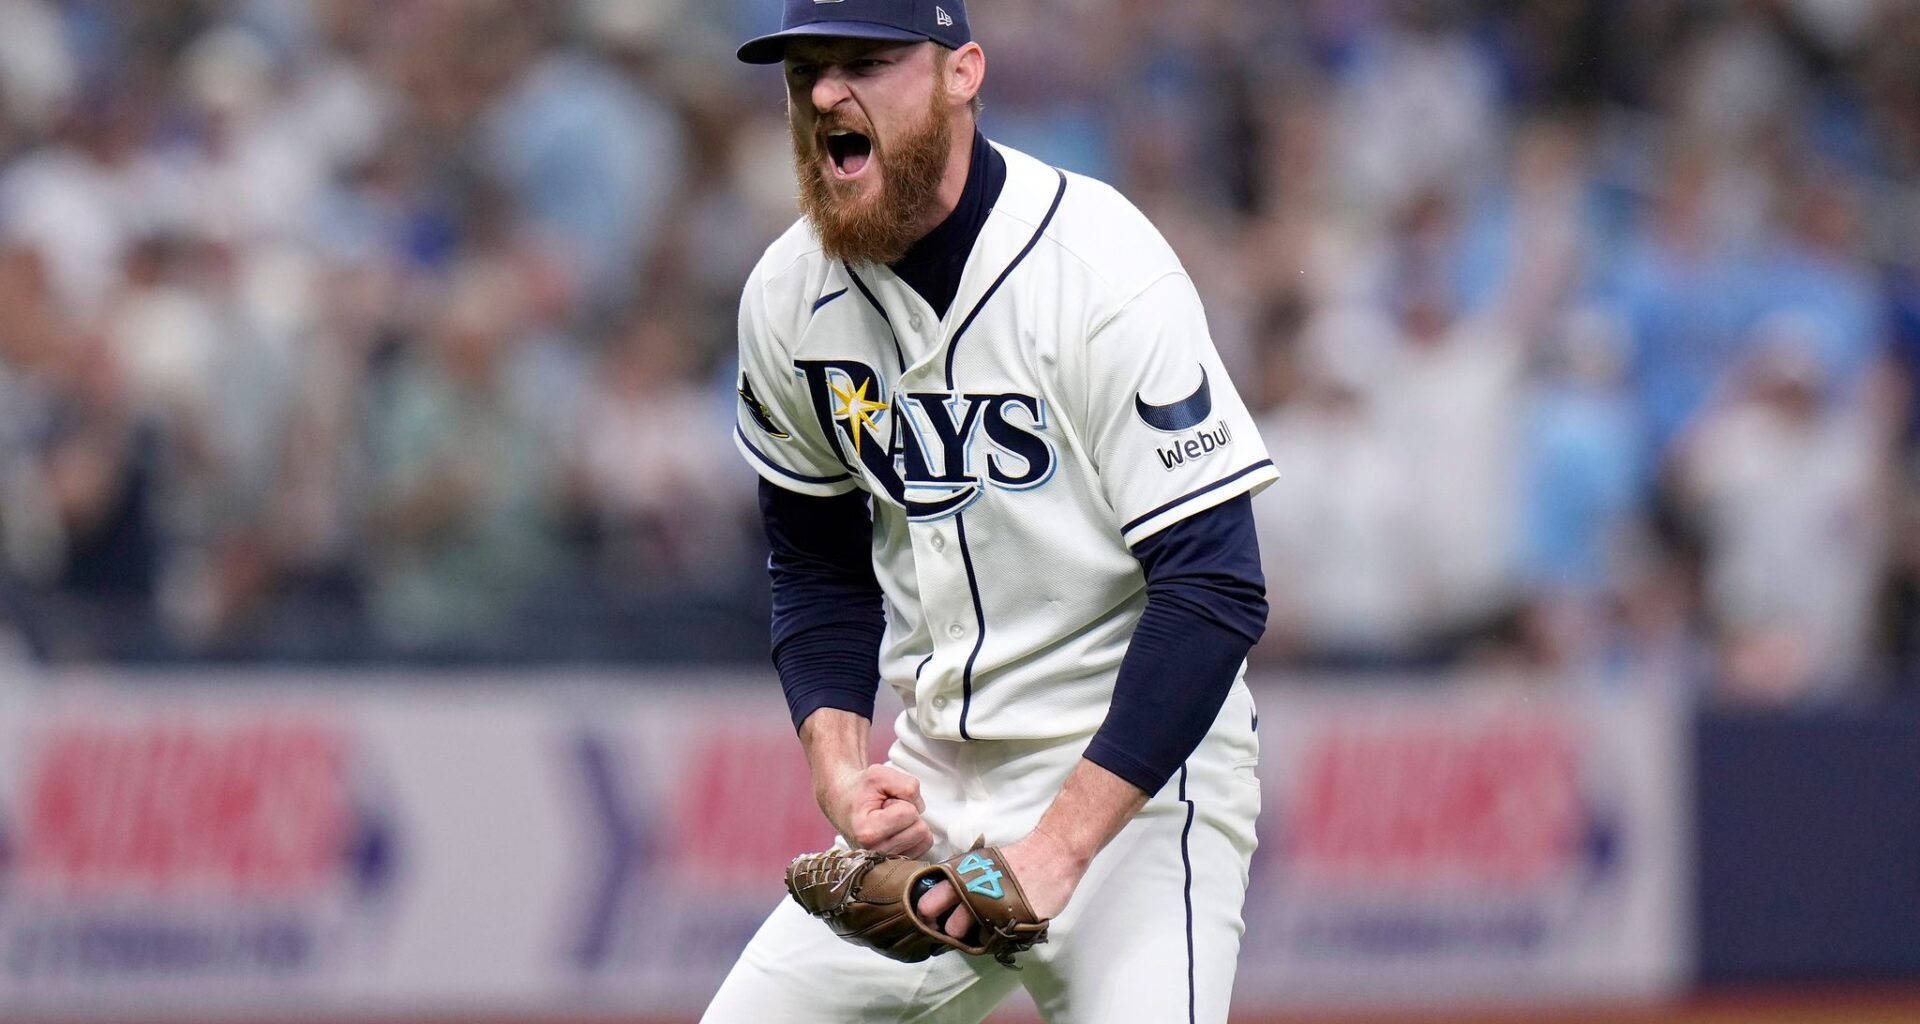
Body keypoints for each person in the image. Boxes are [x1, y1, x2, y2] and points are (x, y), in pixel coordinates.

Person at [707, 1, 1275, 1020]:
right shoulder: (788, 296)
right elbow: (818, 564)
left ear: (962, 72)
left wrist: (1058, 848)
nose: (828, 93)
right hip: (935, 783)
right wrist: (843, 777)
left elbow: (1216, 585)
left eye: (868, 62)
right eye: (806, 73)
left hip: (1137, 791)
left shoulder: (1101, 267)